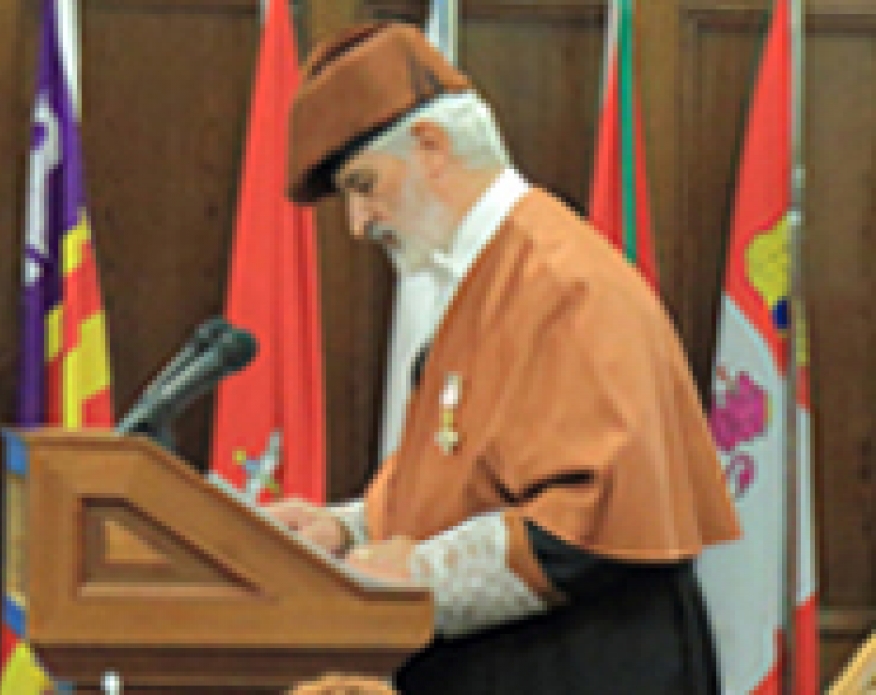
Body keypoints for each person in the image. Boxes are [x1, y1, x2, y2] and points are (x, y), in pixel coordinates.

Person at [269, 21, 741, 694]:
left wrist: (413, 576)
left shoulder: (561, 283)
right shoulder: (486, 276)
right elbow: (470, 473)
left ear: (431, 147)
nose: (359, 221)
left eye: (364, 184)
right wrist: (346, 530)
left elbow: (588, 523)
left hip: (583, 666)